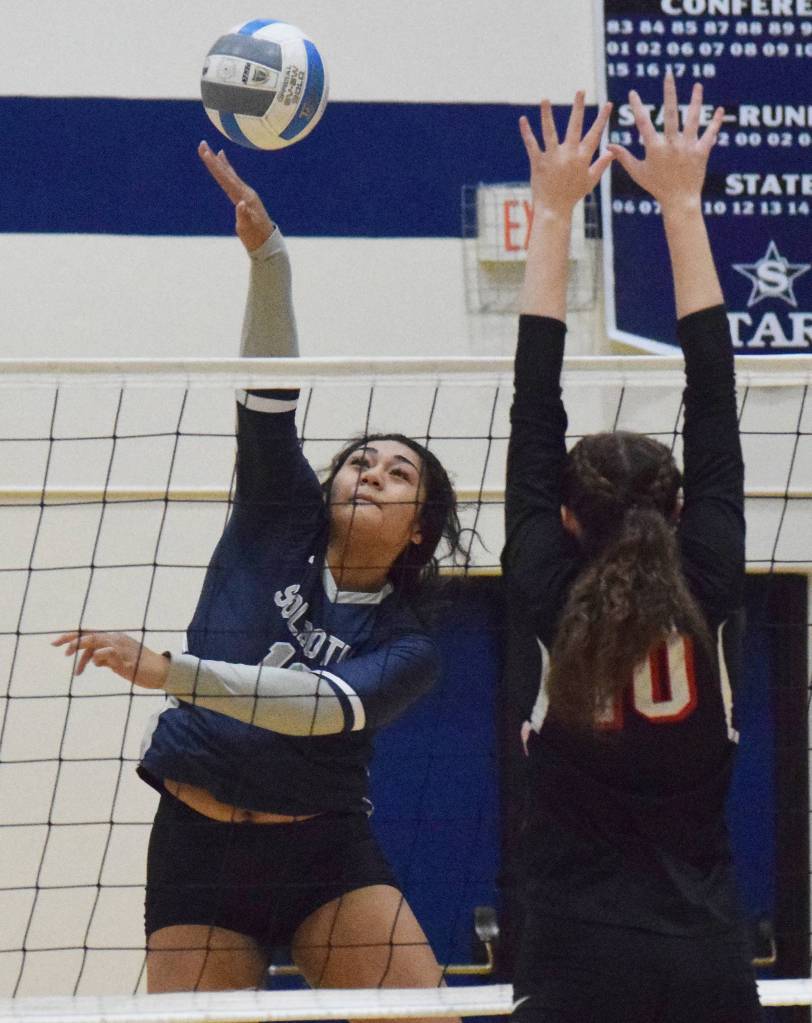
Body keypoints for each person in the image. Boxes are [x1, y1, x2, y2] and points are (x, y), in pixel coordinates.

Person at [54, 140, 466, 1009]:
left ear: (419, 529)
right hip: (198, 844)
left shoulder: (408, 645)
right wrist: (270, 259)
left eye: (397, 473)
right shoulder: (279, 513)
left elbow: (315, 707)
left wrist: (169, 672)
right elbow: (270, 391)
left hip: (322, 854)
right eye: (360, 460)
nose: (370, 473)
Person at [501, 77, 760, 1022]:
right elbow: (714, 397)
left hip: (573, 953)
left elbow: (534, 408)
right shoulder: (710, 573)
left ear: (567, 518)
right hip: (705, 954)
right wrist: (682, 206)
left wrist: (551, 214)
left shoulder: (544, 583)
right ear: (681, 508)